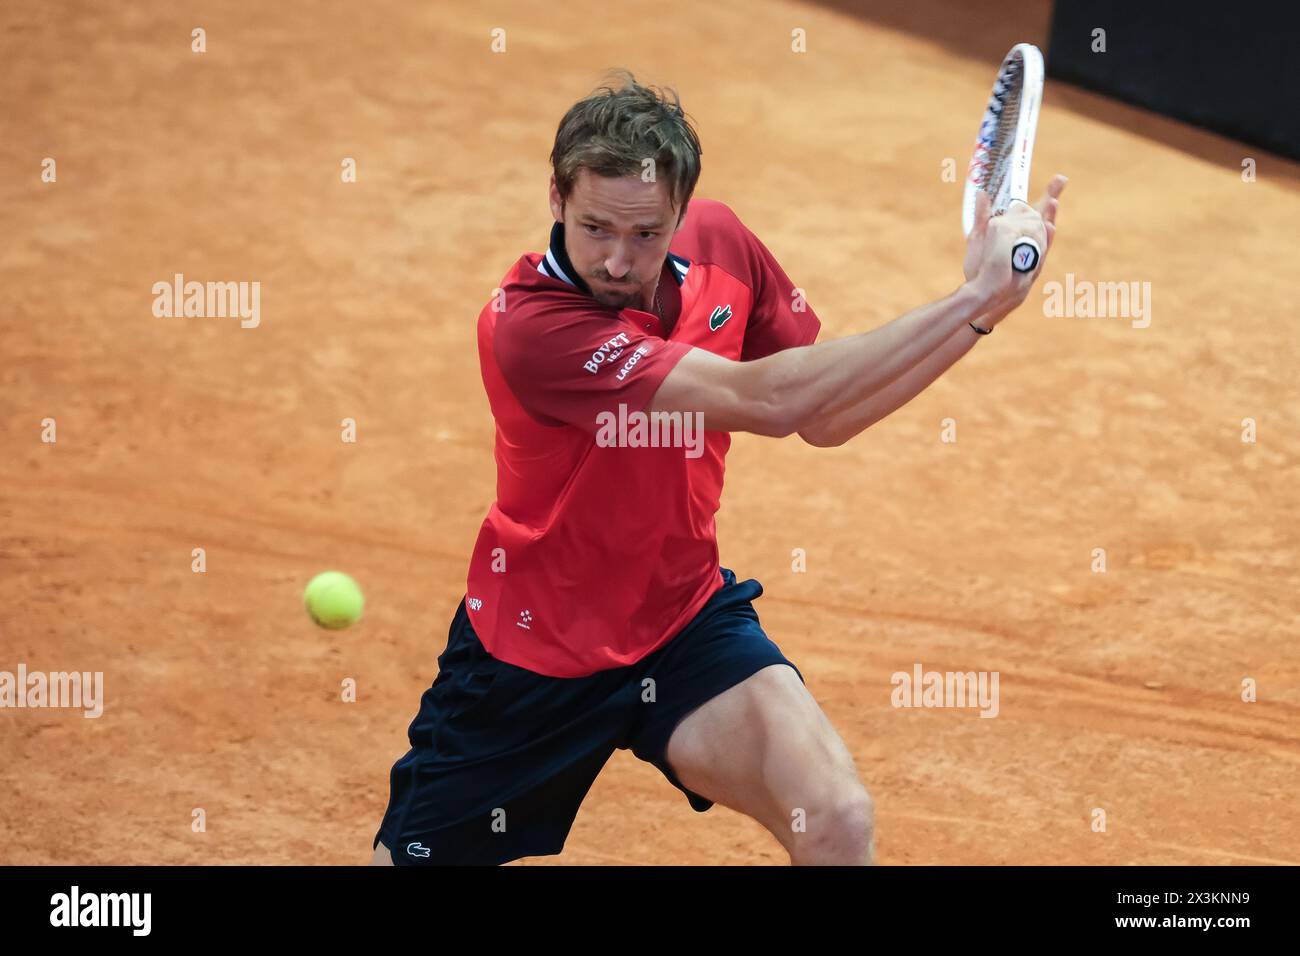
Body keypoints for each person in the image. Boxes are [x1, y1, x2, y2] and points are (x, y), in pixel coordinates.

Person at [371, 69, 1065, 865]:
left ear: (681, 213)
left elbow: (825, 417)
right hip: (534, 657)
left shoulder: (724, 245)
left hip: (681, 622)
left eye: (646, 234)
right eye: (595, 227)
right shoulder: (531, 330)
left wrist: (984, 309)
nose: (618, 260)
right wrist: (969, 294)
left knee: (836, 818)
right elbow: (765, 401)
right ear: (557, 199)